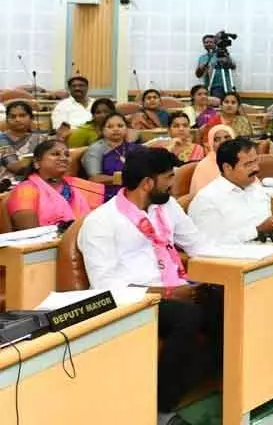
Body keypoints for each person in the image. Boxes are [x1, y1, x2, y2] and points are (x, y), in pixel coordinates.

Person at [78, 148, 222, 421]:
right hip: (134, 299)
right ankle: (161, 409)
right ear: (147, 183)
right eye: (169, 177)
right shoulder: (101, 222)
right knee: (187, 316)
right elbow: (105, 285)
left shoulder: (165, 207)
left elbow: (199, 245)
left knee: (223, 301)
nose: (173, 184)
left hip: (176, 287)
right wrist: (167, 292)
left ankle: (212, 383)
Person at [188, 138, 273, 245]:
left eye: (256, 161)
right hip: (235, 258)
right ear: (227, 167)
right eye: (248, 164)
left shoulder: (256, 188)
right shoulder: (207, 199)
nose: (256, 168)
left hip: (270, 248)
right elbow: (210, 243)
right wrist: (257, 231)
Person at [7, 140, 104, 229]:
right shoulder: (26, 190)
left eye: (66, 155)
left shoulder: (77, 184)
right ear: (36, 162)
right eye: (55, 154)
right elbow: (29, 232)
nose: (63, 158)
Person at [82, 113, 145, 201]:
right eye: (110, 127)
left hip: (135, 193)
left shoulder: (133, 148)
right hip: (108, 196)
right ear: (102, 130)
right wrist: (122, 178)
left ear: (127, 129)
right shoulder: (95, 150)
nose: (115, 129)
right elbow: (94, 179)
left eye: (120, 126)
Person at [0, 101, 47, 183]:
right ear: (7, 120)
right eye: (12, 117)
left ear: (31, 118)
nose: (17, 119)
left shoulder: (41, 138)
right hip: (8, 186)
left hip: (40, 183)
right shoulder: (1, 139)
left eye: (22, 115)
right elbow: (16, 168)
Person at [190, 125, 236, 195]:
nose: (223, 142)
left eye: (227, 138)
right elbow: (202, 196)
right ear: (211, 144)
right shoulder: (204, 166)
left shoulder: (241, 160)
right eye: (217, 139)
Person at [195, 33, 236, 98]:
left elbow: (233, 66)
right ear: (203, 44)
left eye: (211, 42)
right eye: (206, 42)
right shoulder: (202, 58)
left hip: (223, 86)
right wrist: (201, 68)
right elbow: (198, 75)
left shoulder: (223, 54)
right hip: (208, 87)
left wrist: (226, 61)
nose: (208, 44)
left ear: (215, 43)